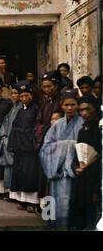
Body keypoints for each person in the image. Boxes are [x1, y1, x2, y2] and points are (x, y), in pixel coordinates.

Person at [39, 89, 84, 229]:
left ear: (77, 105)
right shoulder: (57, 124)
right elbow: (45, 148)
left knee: (73, 205)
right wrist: (68, 145)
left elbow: (87, 149)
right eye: (66, 105)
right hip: (56, 172)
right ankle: (52, 226)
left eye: (73, 104)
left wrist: (68, 149)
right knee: (53, 204)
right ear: (62, 106)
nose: (70, 108)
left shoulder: (83, 123)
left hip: (75, 172)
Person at [68, 95, 102, 230]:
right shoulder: (82, 130)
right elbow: (79, 153)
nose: (84, 113)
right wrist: (76, 167)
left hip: (96, 175)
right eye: (81, 110)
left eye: (88, 109)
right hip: (83, 176)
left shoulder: (99, 129)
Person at [8, 81, 40, 213]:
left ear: (31, 96)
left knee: (30, 173)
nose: (24, 99)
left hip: (30, 147)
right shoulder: (21, 111)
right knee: (20, 172)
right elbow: (14, 127)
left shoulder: (35, 109)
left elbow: (36, 128)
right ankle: (22, 200)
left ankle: (32, 202)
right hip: (20, 147)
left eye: (26, 96)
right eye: (21, 97)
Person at [34, 71, 62, 206]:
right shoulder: (46, 102)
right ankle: (47, 211)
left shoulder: (62, 102)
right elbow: (39, 121)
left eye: (49, 86)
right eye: (44, 87)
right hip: (45, 143)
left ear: (56, 85)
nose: (47, 89)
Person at [0, 84, 22, 192]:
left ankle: (15, 193)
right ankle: (10, 192)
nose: (14, 95)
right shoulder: (13, 107)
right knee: (9, 166)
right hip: (8, 140)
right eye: (12, 93)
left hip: (16, 141)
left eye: (16, 93)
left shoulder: (21, 108)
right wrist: (4, 138)